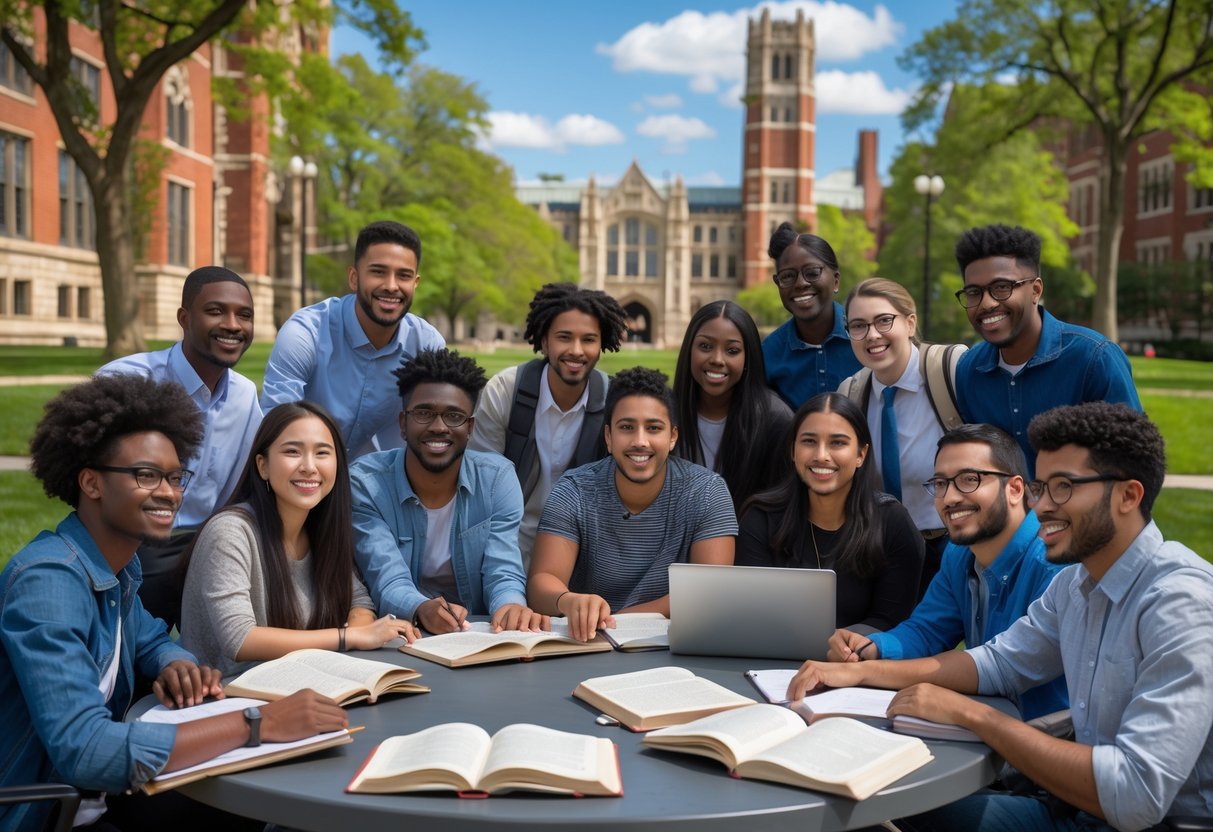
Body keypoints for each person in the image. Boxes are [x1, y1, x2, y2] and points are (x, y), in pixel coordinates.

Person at [788, 402, 1213, 830]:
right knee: (872, 797)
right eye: (1042, 487)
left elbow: (1136, 795)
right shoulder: (1076, 586)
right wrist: (861, 673)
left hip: (1149, 822)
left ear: (1128, 495)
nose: (1043, 506)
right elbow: (997, 662)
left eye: (1063, 487)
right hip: (1071, 806)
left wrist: (972, 714)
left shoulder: (1180, 602)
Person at [0, 375, 346, 831]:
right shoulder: (50, 583)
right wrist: (256, 722)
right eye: (146, 475)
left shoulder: (117, 571)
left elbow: (149, 639)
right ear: (91, 483)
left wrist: (173, 663)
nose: (168, 492)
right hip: (46, 814)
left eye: (175, 476)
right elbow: (85, 750)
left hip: (105, 796)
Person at [828, 423, 1068, 721]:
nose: (950, 498)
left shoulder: (1055, 564)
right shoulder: (959, 553)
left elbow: (1002, 665)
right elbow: (927, 630)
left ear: (1015, 489)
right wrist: (869, 648)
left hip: (1045, 737)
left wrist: (866, 673)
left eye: (969, 479)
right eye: (941, 484)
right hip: (977, 725)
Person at [180, 401, 416, 678]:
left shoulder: (319, 530)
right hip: (226, 698)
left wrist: (359, 629)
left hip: (301, 685)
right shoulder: (230, 532)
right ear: (263, 465)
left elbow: (360, 602)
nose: (309, 467)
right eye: (292, 452)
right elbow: (240, 639)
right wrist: (349, 637)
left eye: (322, 453)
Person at [97, 265, 262, 631]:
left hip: (204, 544)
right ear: (185, 318)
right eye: (216, 311)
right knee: (128, 661)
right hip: (130, 539)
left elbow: (242, 487)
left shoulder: (245, 396)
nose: (233, 324)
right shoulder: (127, 381)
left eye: (244, 315)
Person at [528, 367, 737, 641]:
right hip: (587, 644)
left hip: (669, 645)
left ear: (672, 437)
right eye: (627, 427)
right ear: (608, 437)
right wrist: (568, 601)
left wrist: (614, 622)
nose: (640, 441)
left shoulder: (708, 492)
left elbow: (711, 593)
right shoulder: (574, 490)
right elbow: (542, 581)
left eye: (653, 428)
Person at [352, 348, 546, 634]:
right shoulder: (366, 484)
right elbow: (386, 577)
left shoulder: (497, 479)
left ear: (470, 428)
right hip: (401, 633)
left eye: (454, 416)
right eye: (424, 413)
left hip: (478, 634)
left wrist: (511, 606)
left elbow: (502, 570)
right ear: (403, 424)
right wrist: (421, 608)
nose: (438, 427)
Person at [952, 224, 1141, 475]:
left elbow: (1133, 461)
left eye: (1001, 287)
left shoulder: (1094, 358)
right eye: (974, 292)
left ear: (1036, 290)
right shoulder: (969, 370)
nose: (986, 303)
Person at [468, 283, 629, 568]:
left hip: (581, 558)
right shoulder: (506, 391)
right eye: (564, 337)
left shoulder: (614, 402)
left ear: (601, 343)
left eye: (589, 340)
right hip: (504, 550)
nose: (576, 351)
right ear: (544, 342)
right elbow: (481, 490)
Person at [737, 392, 924, 632]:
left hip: (859, 663)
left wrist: (837, 647)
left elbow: (891, 622)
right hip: (771, 663)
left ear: (860, 455)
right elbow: (752, 615)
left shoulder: (892, 523)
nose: (821, 456)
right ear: (792, 451)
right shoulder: (760, 518)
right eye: (809, 441)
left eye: (838, 442)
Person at [261, 220, 445, 458]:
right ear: (354, 278)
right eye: (378, 272)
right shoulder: (306, 332)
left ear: (415, 283)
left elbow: (441, 432)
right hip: (308, 476)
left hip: (384, 484)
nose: (391, 286)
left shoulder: (426, 345)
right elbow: (277, 429)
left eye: (403, 276)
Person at [837, 278, 966, 595]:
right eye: (859, 325)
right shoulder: (851, 393)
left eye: (883, 320)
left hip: (956, 545)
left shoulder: (952, 370)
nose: (872, 335)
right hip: (888, 550)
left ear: (910, 323)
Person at [673, 300, 794, 514]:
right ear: (689, 350)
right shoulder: (665, 415)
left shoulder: (775, 420)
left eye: (732, 350)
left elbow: (783, 507)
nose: (717, 359)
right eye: (705, 346)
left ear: (748, 357)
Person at [761, 222, 862, 410]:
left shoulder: (866, 338)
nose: (800, 283)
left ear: (836, 281)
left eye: (813, 273)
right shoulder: (768, 354)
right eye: (788, 276)